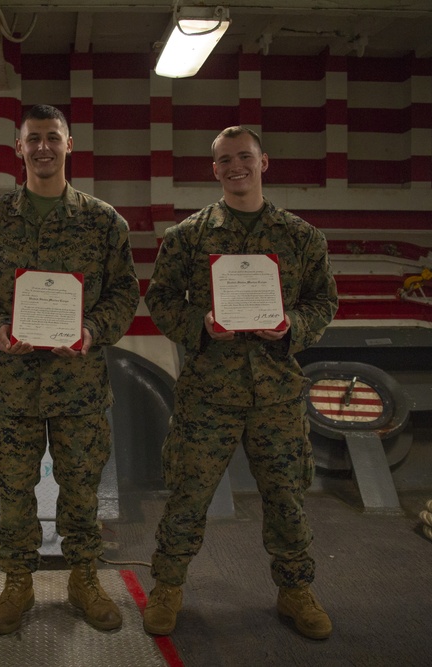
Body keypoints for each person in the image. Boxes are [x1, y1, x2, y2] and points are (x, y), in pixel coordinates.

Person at [142, 126, 339, 640]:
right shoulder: (188, 236)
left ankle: (296, 589)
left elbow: (323, 302)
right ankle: (167, 587)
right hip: (208, 393)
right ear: (214, 169)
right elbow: (161, 299)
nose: (236, 167)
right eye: (225, 159)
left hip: (275, 393)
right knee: (188, 495)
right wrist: (198, 325)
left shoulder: (301, 237)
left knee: (286, 498)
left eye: (245, 157)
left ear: (264, 162)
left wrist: (291, 326)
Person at [0, 104, 140, 635]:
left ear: (69, 144)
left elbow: (126, 294)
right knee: (14, 490)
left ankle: (83, 578)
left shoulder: (104, 222)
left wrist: (92, 332)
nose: (42, 148)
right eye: (33, 138)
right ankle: (17, 582)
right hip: (12, 386)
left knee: (81, 489)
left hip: (79, 385)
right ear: (19, 147)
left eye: (52, 138)